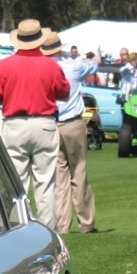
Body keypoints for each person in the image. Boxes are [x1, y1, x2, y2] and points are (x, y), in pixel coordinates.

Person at [0, 19, 70, 227]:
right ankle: (48, 232)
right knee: (46, 183)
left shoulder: (6, 65)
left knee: (16, 182)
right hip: (44, 124)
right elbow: (64, 93)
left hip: (15, 124)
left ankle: (17, 229)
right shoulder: (51, 65)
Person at [40, 32, 99, 234]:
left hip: (51, 124)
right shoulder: (73, 65)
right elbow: (93, 66)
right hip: (73, 123)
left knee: (59, 177)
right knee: (79, 172)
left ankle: (62, 224)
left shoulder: (43, 68)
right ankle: (86, 221)